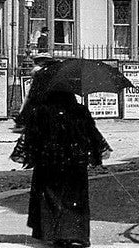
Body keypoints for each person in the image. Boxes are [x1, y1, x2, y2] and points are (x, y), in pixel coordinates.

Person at [15, 89, 111, 247]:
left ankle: (57, 235)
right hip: (75, 163)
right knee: (75, 198)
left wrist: (25, 153)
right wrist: (101, 149)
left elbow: (31, 135)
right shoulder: (80, 110)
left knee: (51, 198)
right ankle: (77, 235)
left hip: (49, 162)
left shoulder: (41, 111)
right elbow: (92, 133)